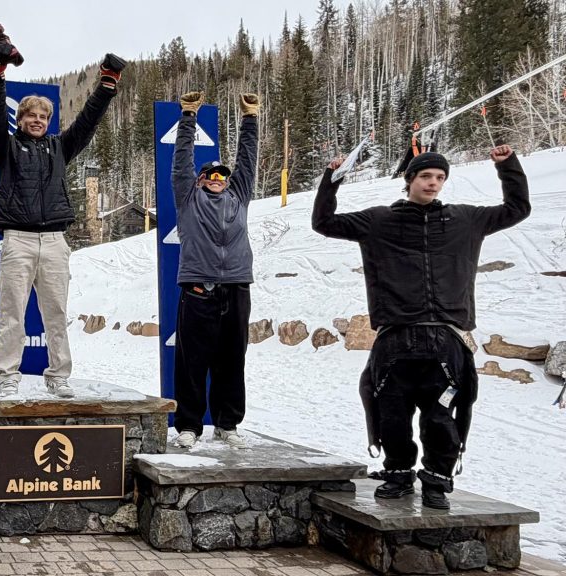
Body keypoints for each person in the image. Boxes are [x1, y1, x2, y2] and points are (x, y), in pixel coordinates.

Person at [312, 146, 530, 508]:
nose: (434, 183)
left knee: (441, 415)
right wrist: (331, 179)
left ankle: (436, 480)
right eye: (426, 176)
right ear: (409, 180)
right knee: (391, 411)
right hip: (396, 336)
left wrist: (507, 166)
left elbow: (517, 209)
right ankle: (398, 473)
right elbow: (324, 223)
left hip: (446, 339)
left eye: (440, 178)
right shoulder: (379, 221)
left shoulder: (466, 220)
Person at [0, 26, 125, 398]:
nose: (37, 121)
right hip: (18, 240)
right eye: (31, 116)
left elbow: (88, 121)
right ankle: (8, 377)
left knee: (56, 315)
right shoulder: (6, 148)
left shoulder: (60, 148)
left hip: (56, 241)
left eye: (43, 118)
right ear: (22, 118)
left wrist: (107, 86)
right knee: (12, 314)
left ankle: (59, 376)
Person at [170, 91, 260, 450]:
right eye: (210, 174)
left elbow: (248, 161)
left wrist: (250, 117)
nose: (218, 177)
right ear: (200, 180)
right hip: (197, 287)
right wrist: (189, 116)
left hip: (236, 286)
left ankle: (227, 424)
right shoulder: (188, 197)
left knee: (232, 358)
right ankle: (189, 426)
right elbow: (181, 162)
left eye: (223, 174)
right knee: (192, 359)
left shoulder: (239, 196)